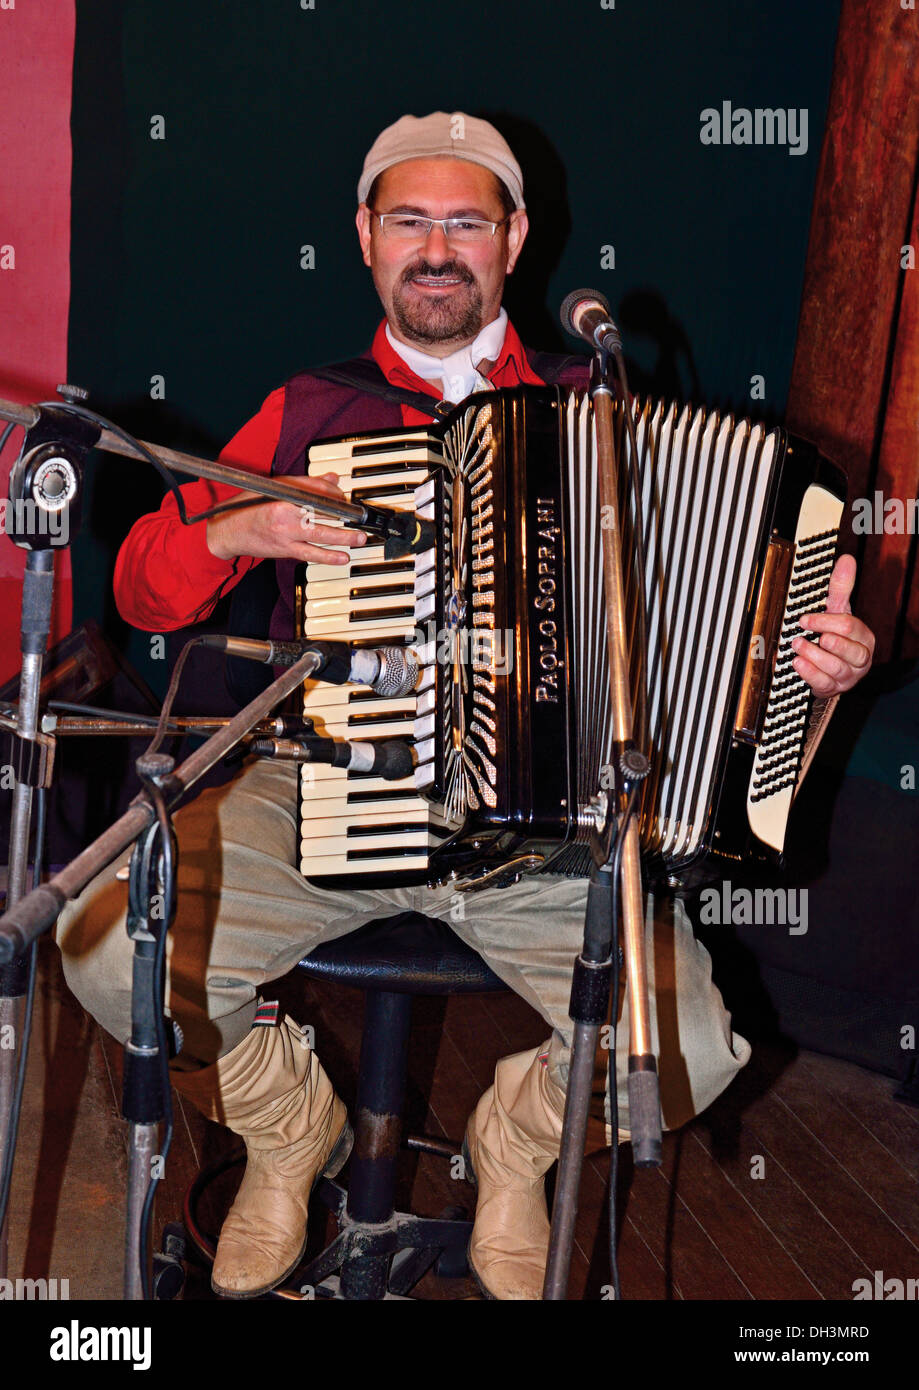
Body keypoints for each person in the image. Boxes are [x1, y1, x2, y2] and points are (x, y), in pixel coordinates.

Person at [56, 112, 876, 1301]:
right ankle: (289, 1131)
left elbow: (724, 640)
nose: (435, 250)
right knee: (94, 943)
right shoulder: (310, 411)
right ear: (364, 237)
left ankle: (513, 1145)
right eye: (408, 222)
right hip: (323, 781)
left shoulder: (599, 417)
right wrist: (242, 525)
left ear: (513, 238)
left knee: (689, 1051)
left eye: (464, 223)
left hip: (547, 830)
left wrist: (814, 663)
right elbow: (142, 589)